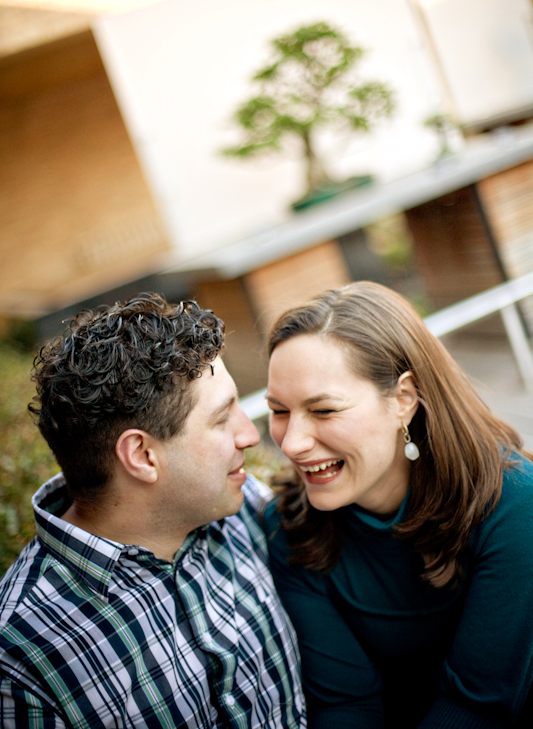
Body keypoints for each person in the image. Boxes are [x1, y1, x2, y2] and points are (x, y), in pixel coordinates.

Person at [0, 294, 306, 729]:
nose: (249, 435)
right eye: (222, 420)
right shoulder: (20, 656)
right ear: (142, 455)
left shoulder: (245, 509)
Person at [263, 281, 533, 729]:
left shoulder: (513, 506)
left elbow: (478, 707)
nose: (292, 443)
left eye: (324, 411)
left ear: (403, 400)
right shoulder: (289, 528)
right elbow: (347, 706)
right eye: (278, 410)